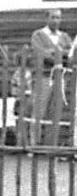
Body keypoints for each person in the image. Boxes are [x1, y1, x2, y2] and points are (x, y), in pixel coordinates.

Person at [27, 8, 71, 145]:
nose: (56, 20)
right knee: (39, 111)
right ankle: (34, 144)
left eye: (58, 17)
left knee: (55, 111)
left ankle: (50, 144)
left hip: (60, 78)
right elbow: (41, 53)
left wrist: (57, 53)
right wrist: (59, 54)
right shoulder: (38, 35)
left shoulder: (64, 36)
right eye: (53, 17)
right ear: (47, 18)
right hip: (44, 77)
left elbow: (70, 54)